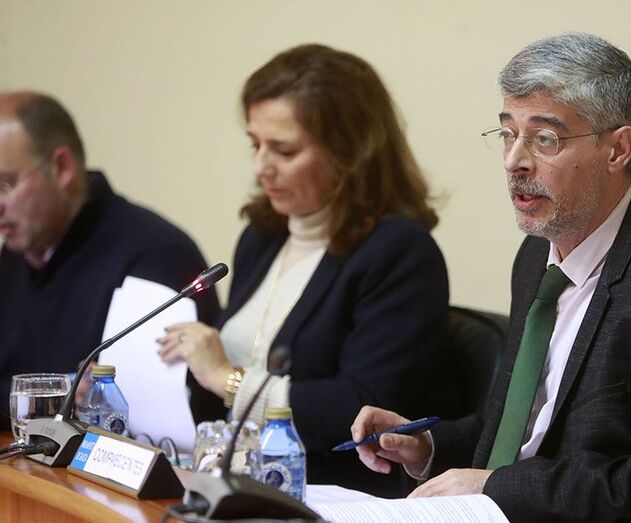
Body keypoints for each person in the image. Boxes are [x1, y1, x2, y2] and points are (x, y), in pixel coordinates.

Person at [351, 32, 631, 521]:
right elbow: (525, 433)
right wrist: (429, 446)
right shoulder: (537, 256)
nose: (515, 161)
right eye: (508, 133)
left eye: (544, 138)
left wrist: (495, 487)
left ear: (618, 149)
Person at [157, 44, 449, 497]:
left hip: (329, 494)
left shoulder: (400, 252)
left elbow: (362, 409)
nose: (261, 167)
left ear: (349, 152)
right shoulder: (262, 237)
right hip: (229, 485)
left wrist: (229, 379)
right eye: (255, 144)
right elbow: (226, 372)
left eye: (284, 150)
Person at [0, 91, 221, 416]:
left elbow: (158, 414)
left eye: (5, 184)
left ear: (61, 168)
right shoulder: (17, 252)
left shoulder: (156, 253)